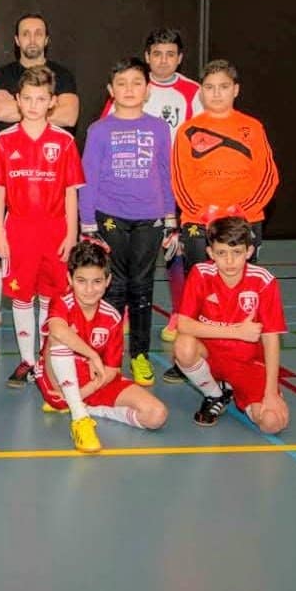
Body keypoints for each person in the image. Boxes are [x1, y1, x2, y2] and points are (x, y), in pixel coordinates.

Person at [164, 60, 279, 383]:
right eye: (210, 87)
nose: (216, 94)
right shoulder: (187, 131)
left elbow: (268, 176)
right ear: (201, 92)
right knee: (199, 294)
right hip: (199, 223)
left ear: (236, 90)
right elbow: (179, 180)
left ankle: (244, 358)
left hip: (245, 222)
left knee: (244, 294)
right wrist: (205, 212)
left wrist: (241, 211)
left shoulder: (252, 128)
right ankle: (192, 357)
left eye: (224, 87)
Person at [0, 65, 85, 389]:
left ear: (52, 101)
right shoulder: (3, 141)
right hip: (18, 230)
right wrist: (0, 235)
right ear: (17, 99)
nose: (33, 105)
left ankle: (45, 357)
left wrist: (72, 234)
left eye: (41, 99)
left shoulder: (64, 142)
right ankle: (27, 360)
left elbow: (71, 192)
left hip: (55, 230)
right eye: (27, 98)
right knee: (22, 296)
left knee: (50, 295)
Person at [79, 58, 176, 388]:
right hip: (110, 216)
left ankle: (140, 355)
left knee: (142, 286)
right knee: (114, 287)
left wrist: (171, 218)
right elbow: (89, 178)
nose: (129, 89)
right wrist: (88, 222)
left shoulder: (159, 128)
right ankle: (109, 357)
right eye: (122, 83)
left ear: (147, 90)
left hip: (150, 217)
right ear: (111, 90)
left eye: (136, 83)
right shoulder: (99, 130)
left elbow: (165, 172)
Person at [101, 28, 201, 341]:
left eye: (170, 54)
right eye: (157, 54)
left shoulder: (193, 93)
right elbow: (107, 135)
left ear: (180, 58)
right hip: (132, 190)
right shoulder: (131, 86)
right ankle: (125, 309)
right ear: (147, 57)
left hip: (175, 188)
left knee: (175, 252)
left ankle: (179, 313)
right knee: (130, 255)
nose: (163, 60)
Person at [34, 241, 168, 453]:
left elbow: (112, 369)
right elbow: (57, 331)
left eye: (97, 281)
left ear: (108, 281)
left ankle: (86, 407)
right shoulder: (62, 302)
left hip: (95, 382)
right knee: (58, 338)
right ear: (69, 279)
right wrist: (93, 355)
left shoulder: (112, 317)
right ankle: (80, 419)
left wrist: (86, 390)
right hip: (57, 385)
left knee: (156, 415)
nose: (89, 289)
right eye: (81, 281)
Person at [169, 216, 289, 433]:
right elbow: (184, 325)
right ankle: (215, 394)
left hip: (247, 364)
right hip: (211, 357)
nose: (230, 261)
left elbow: (271, 338)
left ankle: (237, 388)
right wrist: (236, 331)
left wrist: (271, 392)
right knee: (183, 347)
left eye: (237, 252)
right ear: (210, 253)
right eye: (222, 253)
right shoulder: (201, 274)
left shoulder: (264, 281)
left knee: (272, 423)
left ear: (249, 252)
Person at [0, 13, 79, 133]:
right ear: (17, 40)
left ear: (46, 40)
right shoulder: (4, 74)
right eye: (26, 34)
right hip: (13, 144)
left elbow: (69, 117)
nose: (32, 40)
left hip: (51, 144)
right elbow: (0, 112)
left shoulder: (63, 75)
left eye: (38, 34)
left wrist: (17, 108)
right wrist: (49, 110)